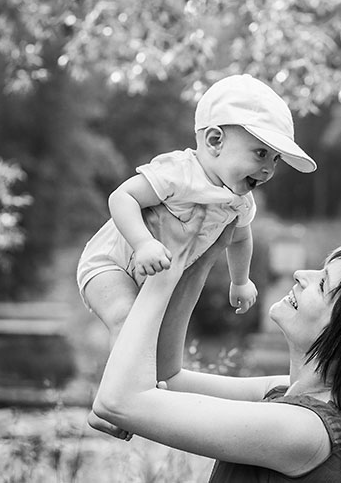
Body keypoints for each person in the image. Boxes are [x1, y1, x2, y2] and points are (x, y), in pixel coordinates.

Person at [91, 207, 341, 482]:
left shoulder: (306, 433)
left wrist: (164, 272)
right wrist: (206, 255)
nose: (301, 275)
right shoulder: (293, 395)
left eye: (322, 284)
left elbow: (118, 402)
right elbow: (168, 375)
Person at [76, 74, 317, 349]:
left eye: (276, 159)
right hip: (110, 263)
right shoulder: (179, 172)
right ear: (215, 141)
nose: (269, 169)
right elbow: (123, 197)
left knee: (153, 335)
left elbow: (240, 238)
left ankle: (147, 375)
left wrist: (240, 281)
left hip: (159, 275)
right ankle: (123, 377)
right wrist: (143, 244)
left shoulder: (240, 201)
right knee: (126, 318)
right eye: (261, 153)